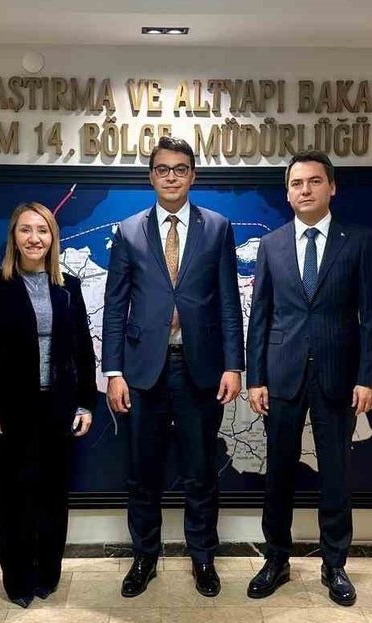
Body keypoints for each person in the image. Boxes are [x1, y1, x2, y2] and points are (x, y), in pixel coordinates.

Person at [103, 136, 245, 598]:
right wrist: (114, 372)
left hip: (199, 368)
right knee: (143, 472)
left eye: (180, 169)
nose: (171, 176)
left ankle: (202, 557)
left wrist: (234, 365)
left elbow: (229, 302)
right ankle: (144, 556)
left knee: (200, 471)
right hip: (142, 371)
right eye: (162, 169)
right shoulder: (128, 231)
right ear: (151, 176)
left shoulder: (217, 227)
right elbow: (114, 306)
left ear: (193, 175)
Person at [244, 151, 372, 606]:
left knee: (336, 475)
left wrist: (368, 377)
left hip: (338, 375)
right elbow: (260, 317)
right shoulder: (272, 245)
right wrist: (255, 378)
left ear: (332, 187)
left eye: (314, 181)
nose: (305, 190)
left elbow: (371, 316)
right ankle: (276, 559)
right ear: (287, 193)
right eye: (296, 183)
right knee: (278, 474)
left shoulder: (357, 241)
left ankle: (335, 565)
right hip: (281, 376)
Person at [0, 202, 97, 608]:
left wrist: (85, 404)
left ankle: (47, 577)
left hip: (57, 409)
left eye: (42, 230)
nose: (34, 238)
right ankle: (18, 581)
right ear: (14, 237)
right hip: (7, 412)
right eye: (26, 230)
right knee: (11, 500)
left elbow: (81, 350)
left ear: (52, 237)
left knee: (51, 497)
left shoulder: (69, 286)